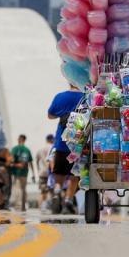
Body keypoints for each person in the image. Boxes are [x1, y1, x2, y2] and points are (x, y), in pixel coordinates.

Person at [46, 86, 83, 214]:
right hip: (78, 143)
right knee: (74, 175)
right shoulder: (85, 96)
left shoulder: (60, 96)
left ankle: (57, 192)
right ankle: (68, 200)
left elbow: (50, 115)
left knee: (59, 174)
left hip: (61, 143)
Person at [9, 134, 34, 212]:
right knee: (23, 189)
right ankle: (23, 206)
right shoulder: (27, 150)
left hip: (16, 172)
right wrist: (33, 173)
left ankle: (18, 206)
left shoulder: (15, 149)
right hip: (25, 172)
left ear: (19, 140)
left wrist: (13, 164)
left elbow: (11, 160)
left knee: (17, 189)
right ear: (24, 140)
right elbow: (30, 162)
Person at [35, 134, 54, 208]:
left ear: (46, 140)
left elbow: (36, 161)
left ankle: (40, 208)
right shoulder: (53, 148)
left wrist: (38, 170)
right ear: (52, 140)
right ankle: (53, 208)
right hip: (51, 172)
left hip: (42, 172)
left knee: (43, 192)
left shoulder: (40, 149)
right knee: (52, 191)